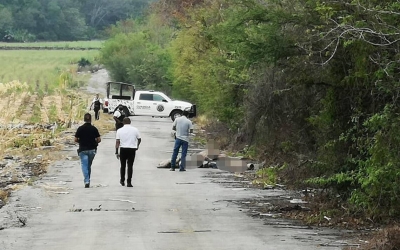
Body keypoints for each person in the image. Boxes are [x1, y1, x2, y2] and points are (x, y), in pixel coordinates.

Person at [74, 113, 101, 188]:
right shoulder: (94, 129)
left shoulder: (80, 128)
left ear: (84, 119)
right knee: (88, 165)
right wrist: (95, 142)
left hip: (82, 150)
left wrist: (81, 141)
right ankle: (88, 179)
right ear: (90, 119)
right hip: (92, 150)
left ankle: (87, 181)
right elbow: (99, 139)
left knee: (84, 165)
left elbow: (75, 139)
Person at [115, 117, 141, 187]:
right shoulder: (135, 130)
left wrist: (117, 151)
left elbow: (117, 141)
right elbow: (139, 139)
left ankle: (122, 180)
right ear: (130, 122)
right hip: (132, 149)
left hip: (123, 149)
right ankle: (129, 182)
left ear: (123, 122)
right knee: (130, 165)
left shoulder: (119, 130)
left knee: (122, 165)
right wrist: (137, 146)